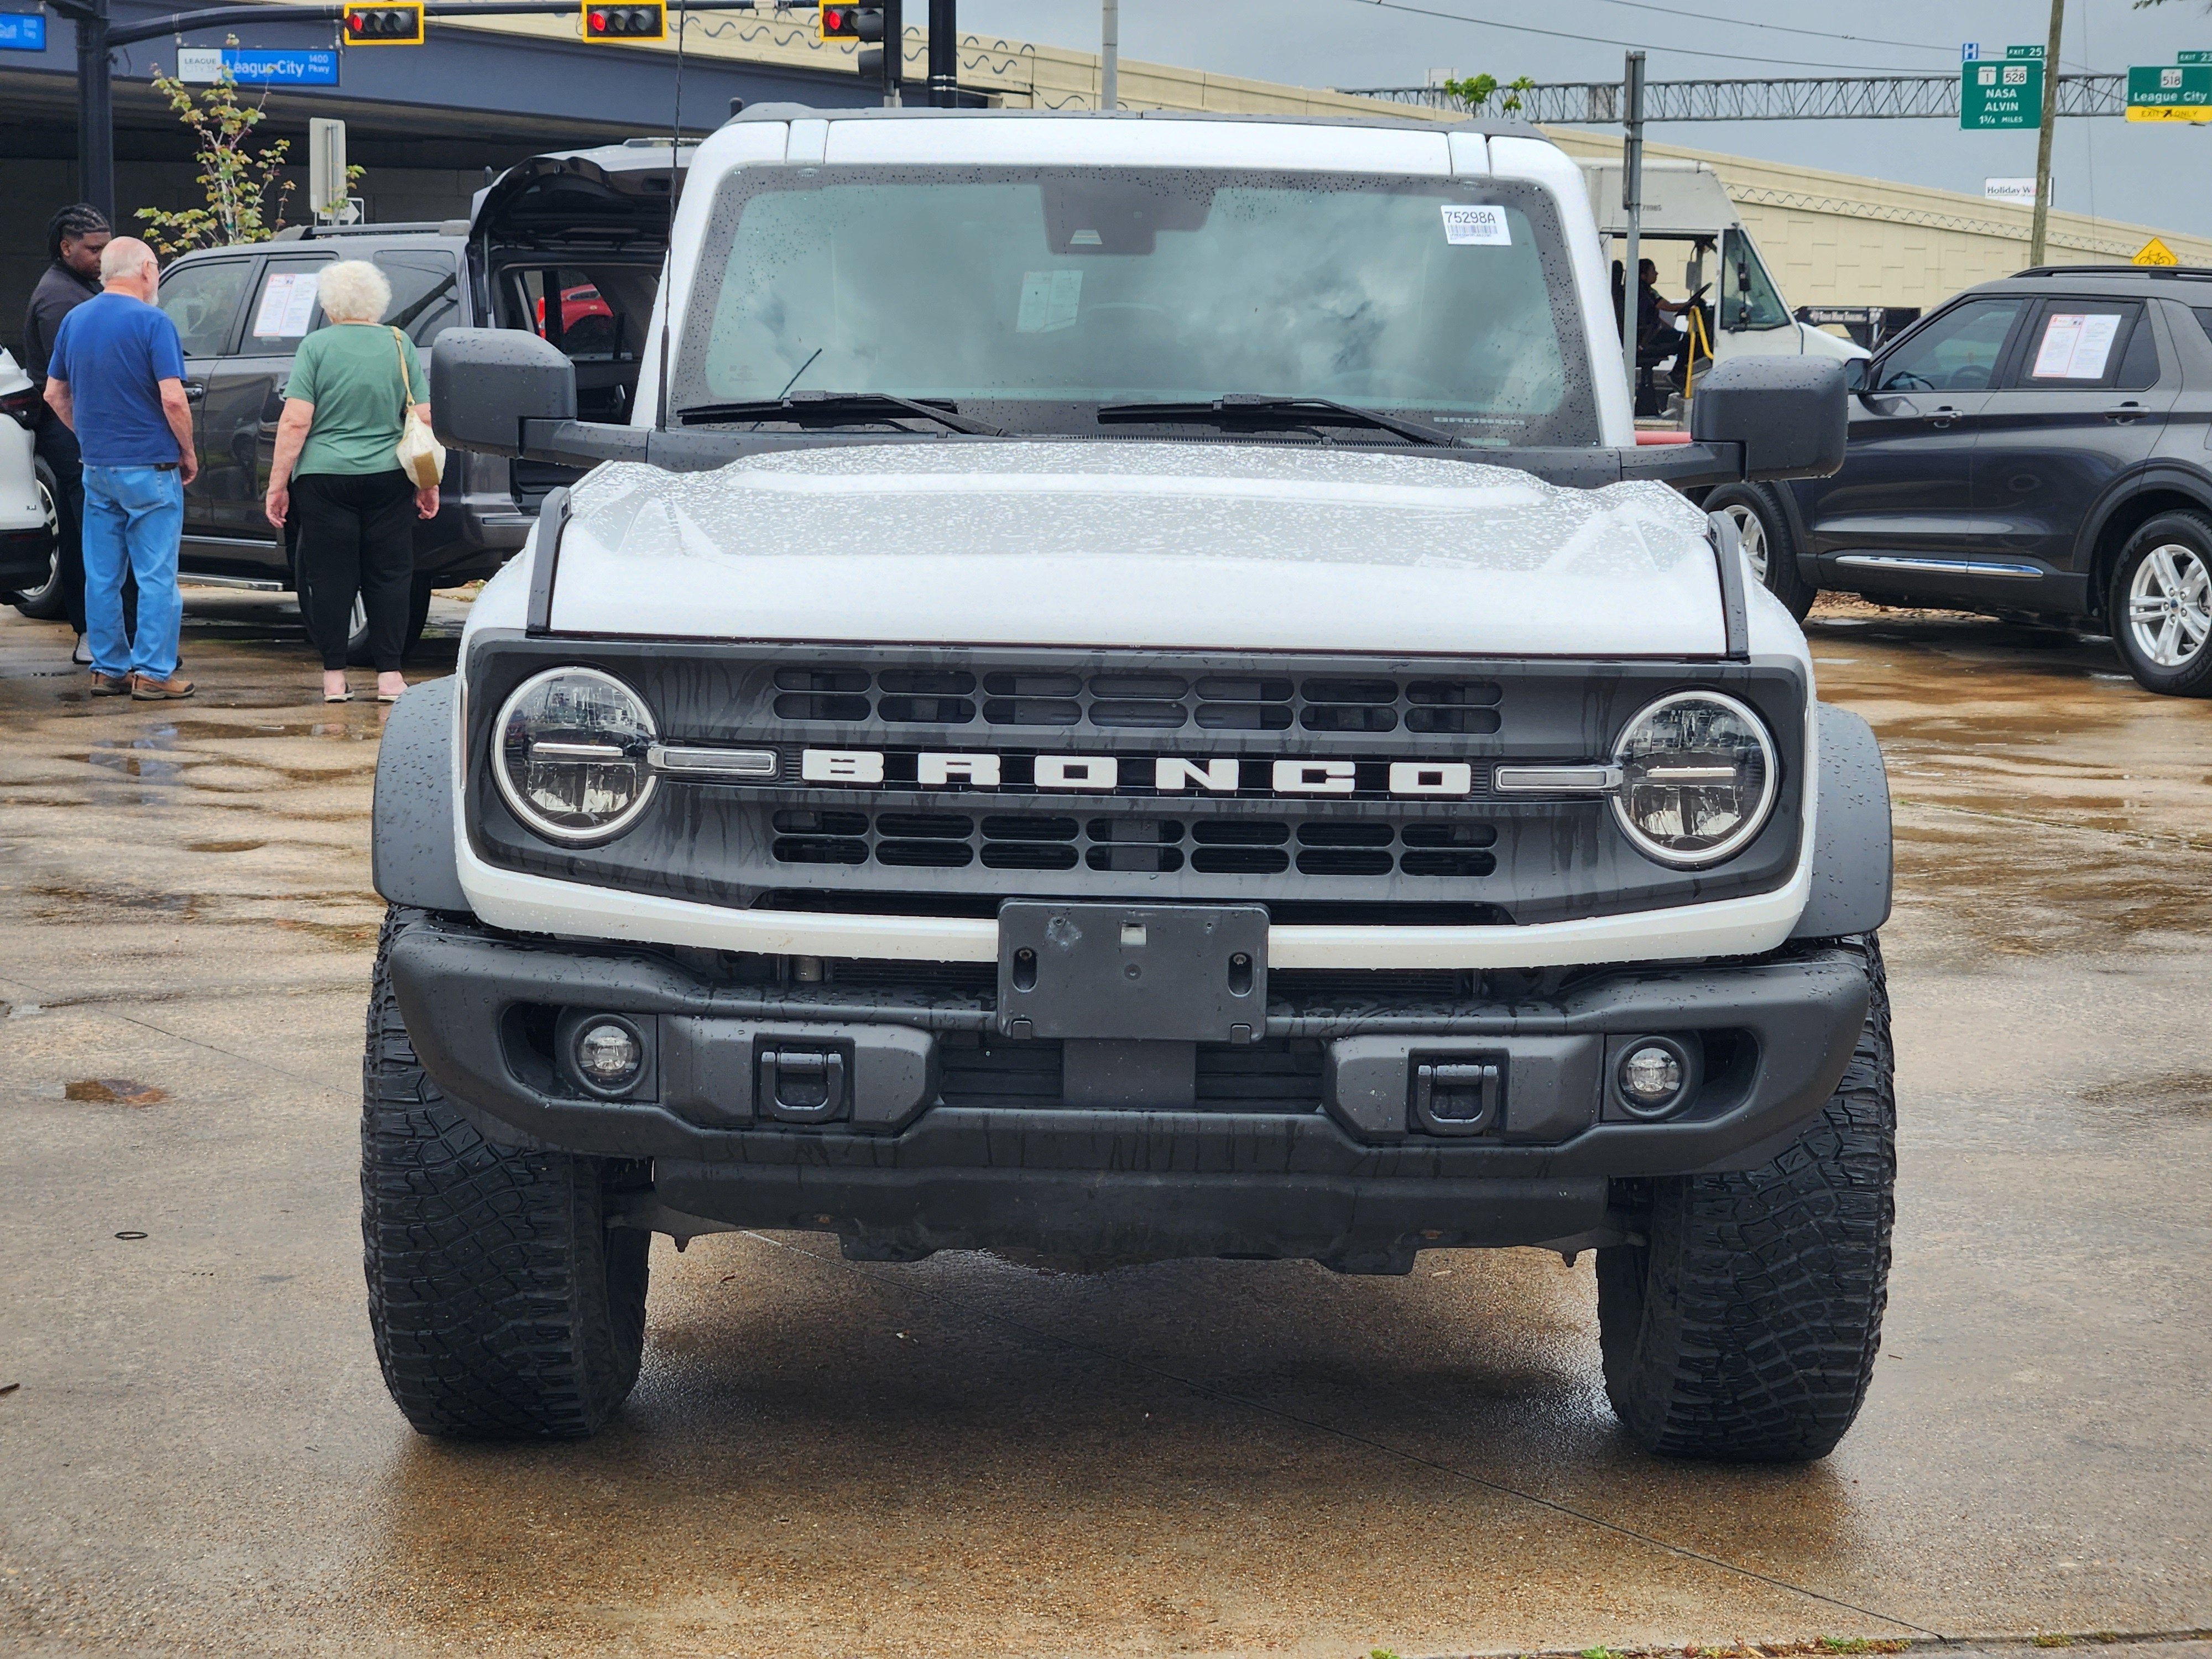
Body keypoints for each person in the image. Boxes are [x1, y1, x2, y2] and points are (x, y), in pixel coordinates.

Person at [263, 260, 437, 704]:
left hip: (323, 479)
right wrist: (428, 482)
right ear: (378, 301)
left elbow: (296, 421)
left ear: (330, 304)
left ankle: (334, 679)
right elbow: (422, 417)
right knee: (390, 575)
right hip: (389, 477)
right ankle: (390, 678)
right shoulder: (399, 343)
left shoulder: (316, 347)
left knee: (330, 575)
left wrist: (278, 485)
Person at [42, 236, 196, 701]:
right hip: (150, 465)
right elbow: (173, 398)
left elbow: (54, 393)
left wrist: (88, 437)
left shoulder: (75, 319)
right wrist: (187, 451)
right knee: (155, 576)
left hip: (98, 466)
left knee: (103, 574)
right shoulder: (154, 321)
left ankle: (108, 668)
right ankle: (153, 672)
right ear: (146, 269)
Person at [20, 203, 112, 665]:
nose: (102, 256)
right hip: (68, 429)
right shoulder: (60, 298)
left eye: (107, 247)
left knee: (92, 529)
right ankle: (90, 632)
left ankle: (103, 632)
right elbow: (73, 378)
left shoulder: (84, 287)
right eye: (94, 249)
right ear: (66, 247)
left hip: (82, 428)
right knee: (86, 532)